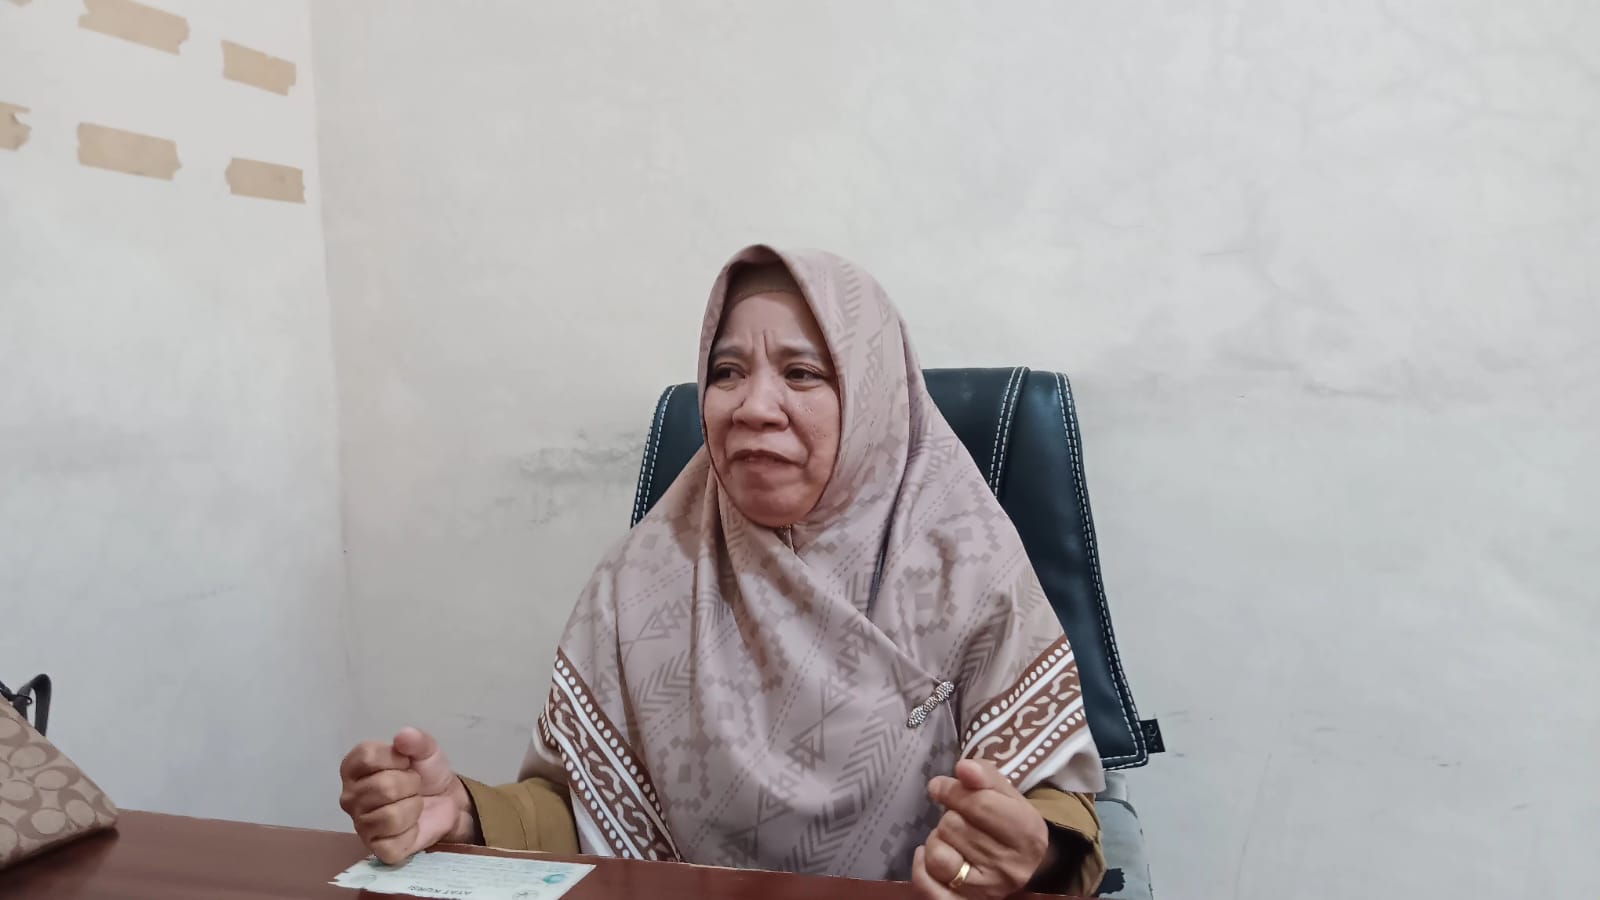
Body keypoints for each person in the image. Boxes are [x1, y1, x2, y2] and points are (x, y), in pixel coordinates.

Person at [338, 246, 1107, 897]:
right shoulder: (643, 580)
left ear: (874, 401)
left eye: (802, 373)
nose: (752, 407)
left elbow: (1053, 810)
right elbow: (583, 810)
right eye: (728, 371)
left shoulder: (966, 570)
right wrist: (464, 813)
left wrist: (1029, 851)